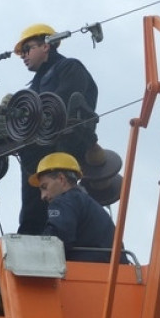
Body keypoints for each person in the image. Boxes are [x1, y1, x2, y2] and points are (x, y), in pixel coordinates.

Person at [11, 23, 100, 235]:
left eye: (28, 48)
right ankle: (30, 238)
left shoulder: (69, 68)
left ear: (47, 45)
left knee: (59, 200)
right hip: (38, 151)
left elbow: (61, 104)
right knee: (33, 203)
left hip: (62, 146)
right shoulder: (35, 86)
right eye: (22, 52)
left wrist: (27, 114)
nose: (24, 55)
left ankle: (57, 236)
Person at [29, 152, 121, 263]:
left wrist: (30, 254)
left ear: (61, 179)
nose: (42, 196)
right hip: (115, 270)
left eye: (45, 187)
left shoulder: (64, 201)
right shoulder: (88, 204)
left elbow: (56, 240)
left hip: (89, 272)